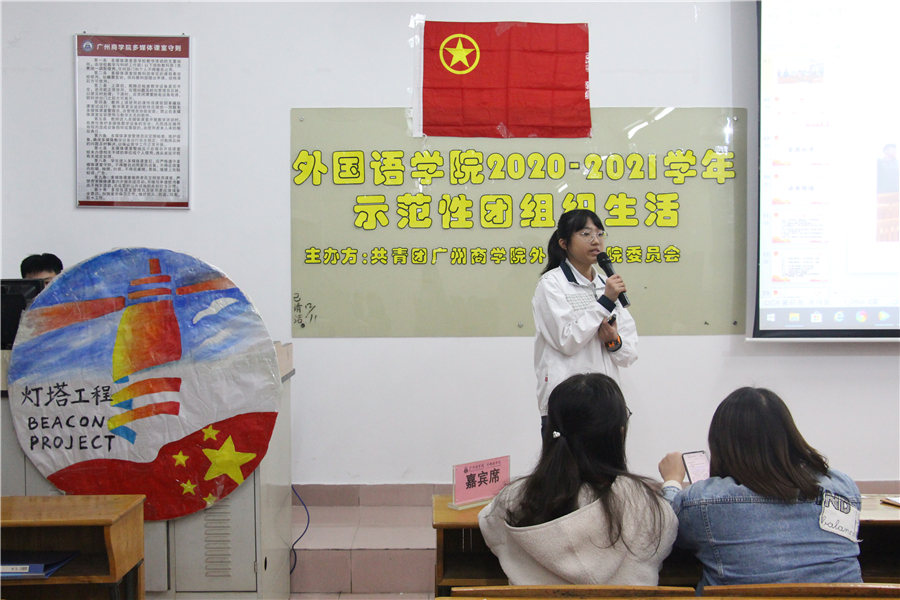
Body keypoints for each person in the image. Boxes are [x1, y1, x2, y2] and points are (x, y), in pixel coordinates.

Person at [479, 373, 677, 585]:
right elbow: (665, 542)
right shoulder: (645, 504)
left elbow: (489, 526)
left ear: (551, 430)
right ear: (618, 433)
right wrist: (673, 482)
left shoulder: (514, 499)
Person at [658, 387, 862, 589]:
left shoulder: (703, 501)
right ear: (790, 435)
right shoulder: (842, 487)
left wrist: (672, 480)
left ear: (721, 444)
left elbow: (663, 529)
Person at [533, 209, 637, 431]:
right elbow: (567, 341)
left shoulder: (606, 284)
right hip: (567, 403)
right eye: (585, 234)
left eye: (599, 234)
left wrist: (613, 341)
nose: (595, 241)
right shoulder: (551, 284)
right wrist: (604, 302)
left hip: (606, 402)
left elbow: (629, 354)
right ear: (564, 243)